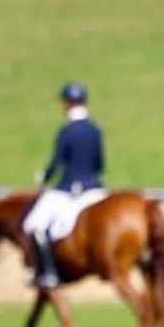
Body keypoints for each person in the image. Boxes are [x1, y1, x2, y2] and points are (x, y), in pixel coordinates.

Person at [21, 82, 105, 289]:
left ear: (67, 104)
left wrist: (43, 177)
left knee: (34, 223)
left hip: (70, 189)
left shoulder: (66, 131)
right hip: (95, 187)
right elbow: (100, 164)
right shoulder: (95, 131)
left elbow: (56, 163)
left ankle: (48, 272)